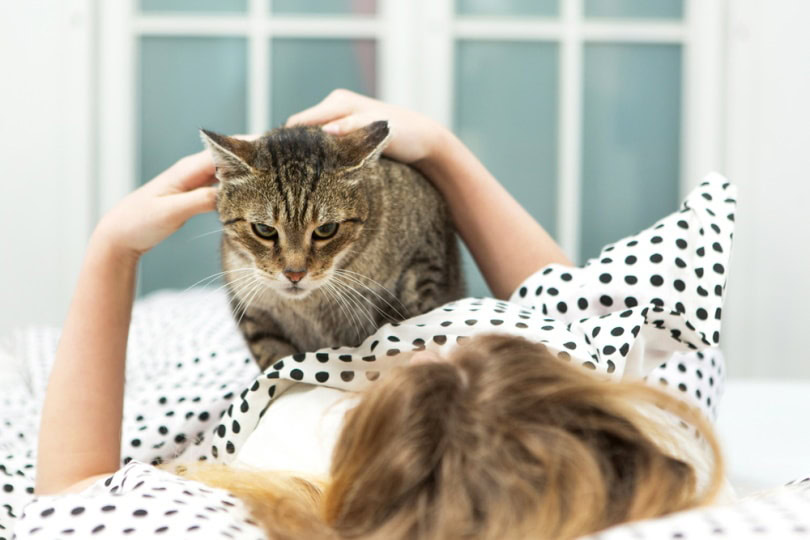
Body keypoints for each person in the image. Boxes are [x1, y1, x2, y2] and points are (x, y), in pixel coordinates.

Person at [5, 90, 736, 539]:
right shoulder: (648, 448)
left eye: (436, 359)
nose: (426, 342)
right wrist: (442, 148)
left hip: (203, 384)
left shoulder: (277, 488)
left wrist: (111, 251)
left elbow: (72, 494)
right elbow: (576, 304)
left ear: (359, 452)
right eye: (484, 347)